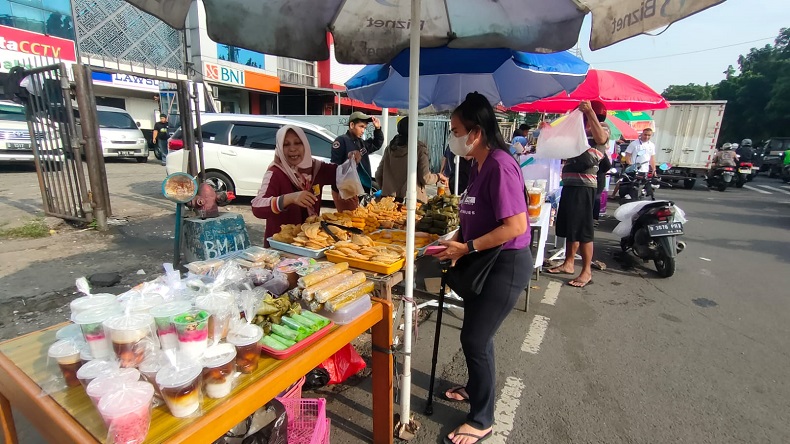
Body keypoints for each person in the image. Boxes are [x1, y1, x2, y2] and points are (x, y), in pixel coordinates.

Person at [435, 92, 533, 444]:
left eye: (456, 130)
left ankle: (481, 420)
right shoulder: (478, 164)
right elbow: (473, 213)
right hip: (481, 258)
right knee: (477, 334)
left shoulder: (502, 165)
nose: (453, 137)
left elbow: (515, 226)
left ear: (476, 132)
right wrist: (459, 241)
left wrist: (468, 247)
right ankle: (477, 388)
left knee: (475, 338)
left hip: (505, 264)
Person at [252, 125, 352, 245]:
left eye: (297, 143)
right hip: (282, 249)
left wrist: (352, 159)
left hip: (311, 244)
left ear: (305, 145)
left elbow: (341, 173)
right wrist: (290, 198)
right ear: (279, 148)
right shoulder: (276, 173)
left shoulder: (316, 168)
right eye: (286, 144)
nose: (292, 149)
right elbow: (257, 207)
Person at [547, 100, 609, 288]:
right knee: (571, 227)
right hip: (570, 183)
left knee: (583, 230)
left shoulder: (601, 128)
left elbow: (601, 140)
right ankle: (569, 263)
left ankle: (586, 271)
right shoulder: (578, 132)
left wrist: (589, 112)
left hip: (584, 186)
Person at [375, 117, 446, 202]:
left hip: (389, 201)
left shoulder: (390, 148)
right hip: (412, 200)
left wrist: (386, 189)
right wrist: (438, 176)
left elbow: (378, 174)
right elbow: (425, 178)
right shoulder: (419, 149)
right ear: (413, 130)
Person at [330, 111, 383, 211]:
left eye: (365, 128)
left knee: (359, 221)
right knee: (349, 221)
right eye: (361, 126)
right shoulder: (341, 141)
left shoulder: (360, 142)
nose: (363, 130)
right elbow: (335, 167)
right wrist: (340, 190)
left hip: (360, 190)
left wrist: (378, 129)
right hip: (346, 190)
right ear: (352, 125)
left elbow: (376, 144)